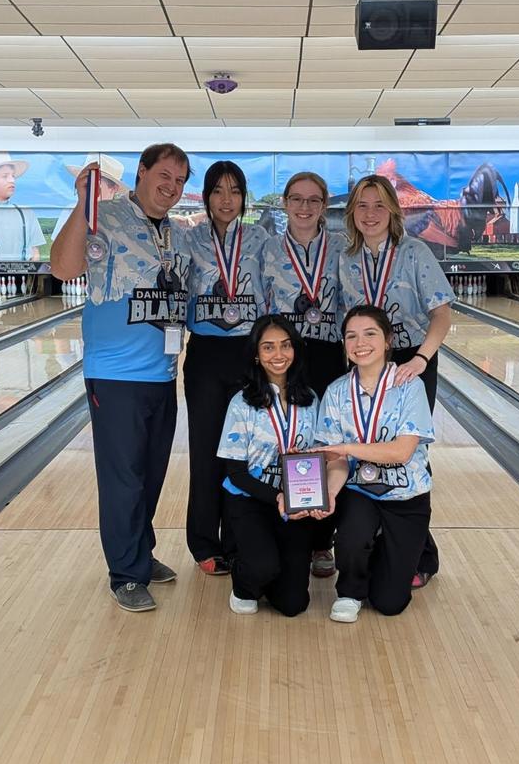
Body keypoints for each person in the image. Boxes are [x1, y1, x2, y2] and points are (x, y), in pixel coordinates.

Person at [50, 143, 191, 612]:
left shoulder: (174, 232)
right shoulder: (103, 217)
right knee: (122, 479)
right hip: (114, 374)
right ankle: (125, 574)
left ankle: (139, 554)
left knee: (150, 475)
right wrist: (80, 205)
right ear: (142, 173)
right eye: (164, 176)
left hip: (163, 373)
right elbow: (64, 268)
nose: (172, 186)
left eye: (180, 180)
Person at [338, 174, 454, 588]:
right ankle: (368, 544)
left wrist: (422, 359)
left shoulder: (414, 252)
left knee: (410, 457)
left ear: (393, 210)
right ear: (352, 212)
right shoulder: (344, 256)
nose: (370, 214)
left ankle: (422, 554)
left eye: (379, 206)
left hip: (409, 363)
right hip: (366, 362)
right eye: (362, 206)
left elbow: (441, 313)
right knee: (367, 451)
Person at [314, 305, 435, 623]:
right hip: (361, 491)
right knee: (351, 535)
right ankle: (350, 591)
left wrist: (348, 447)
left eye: (370, 334)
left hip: (407, 495)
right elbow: (337, 463)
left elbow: (402, 452)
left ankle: (389, 549)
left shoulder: (410, 386)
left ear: (388, 340)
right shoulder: (337, 392)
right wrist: (328, 495)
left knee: (389, 603)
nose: (360, 342)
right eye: (351, 336)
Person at [184, 160, 269, 575]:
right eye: (218, 190)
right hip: (204, 355)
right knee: (205, 453)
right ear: (206, 195)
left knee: (245, 453)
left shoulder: (260, 238)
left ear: (244, 197)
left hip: (248, 354)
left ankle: (239, 540)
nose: (226, 199)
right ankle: (203, 542)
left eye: (234, 191)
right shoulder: (189, 239)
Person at [261, 171, 345, 579]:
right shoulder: (267, 249)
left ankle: (322, 539)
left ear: (324, 205)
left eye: (314, 200)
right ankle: (289, 521)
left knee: (326, 445)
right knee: (291, 438)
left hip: (330, 354)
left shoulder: (343, 249)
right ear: (285, 203)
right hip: (286, 356)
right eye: (297, 199)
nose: (305, 207)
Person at [217, 315, 319, 616]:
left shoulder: (310, 399)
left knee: (294, 605)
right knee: (262, 567)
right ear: (256, 355)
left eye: (285, 346)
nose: (278, 355)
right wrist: (277, 496)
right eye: (269, 347)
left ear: (295, 350)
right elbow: (235, 473)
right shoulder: (242, 403)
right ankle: (245, 582)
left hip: (295, 503)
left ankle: (270, 573)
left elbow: (320, 458)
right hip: (249, 500)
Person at [51, 153, 129, 241]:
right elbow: (59, 250)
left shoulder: (124, 218)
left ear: (113, 188)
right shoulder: (70, 211)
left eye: (94, 182)